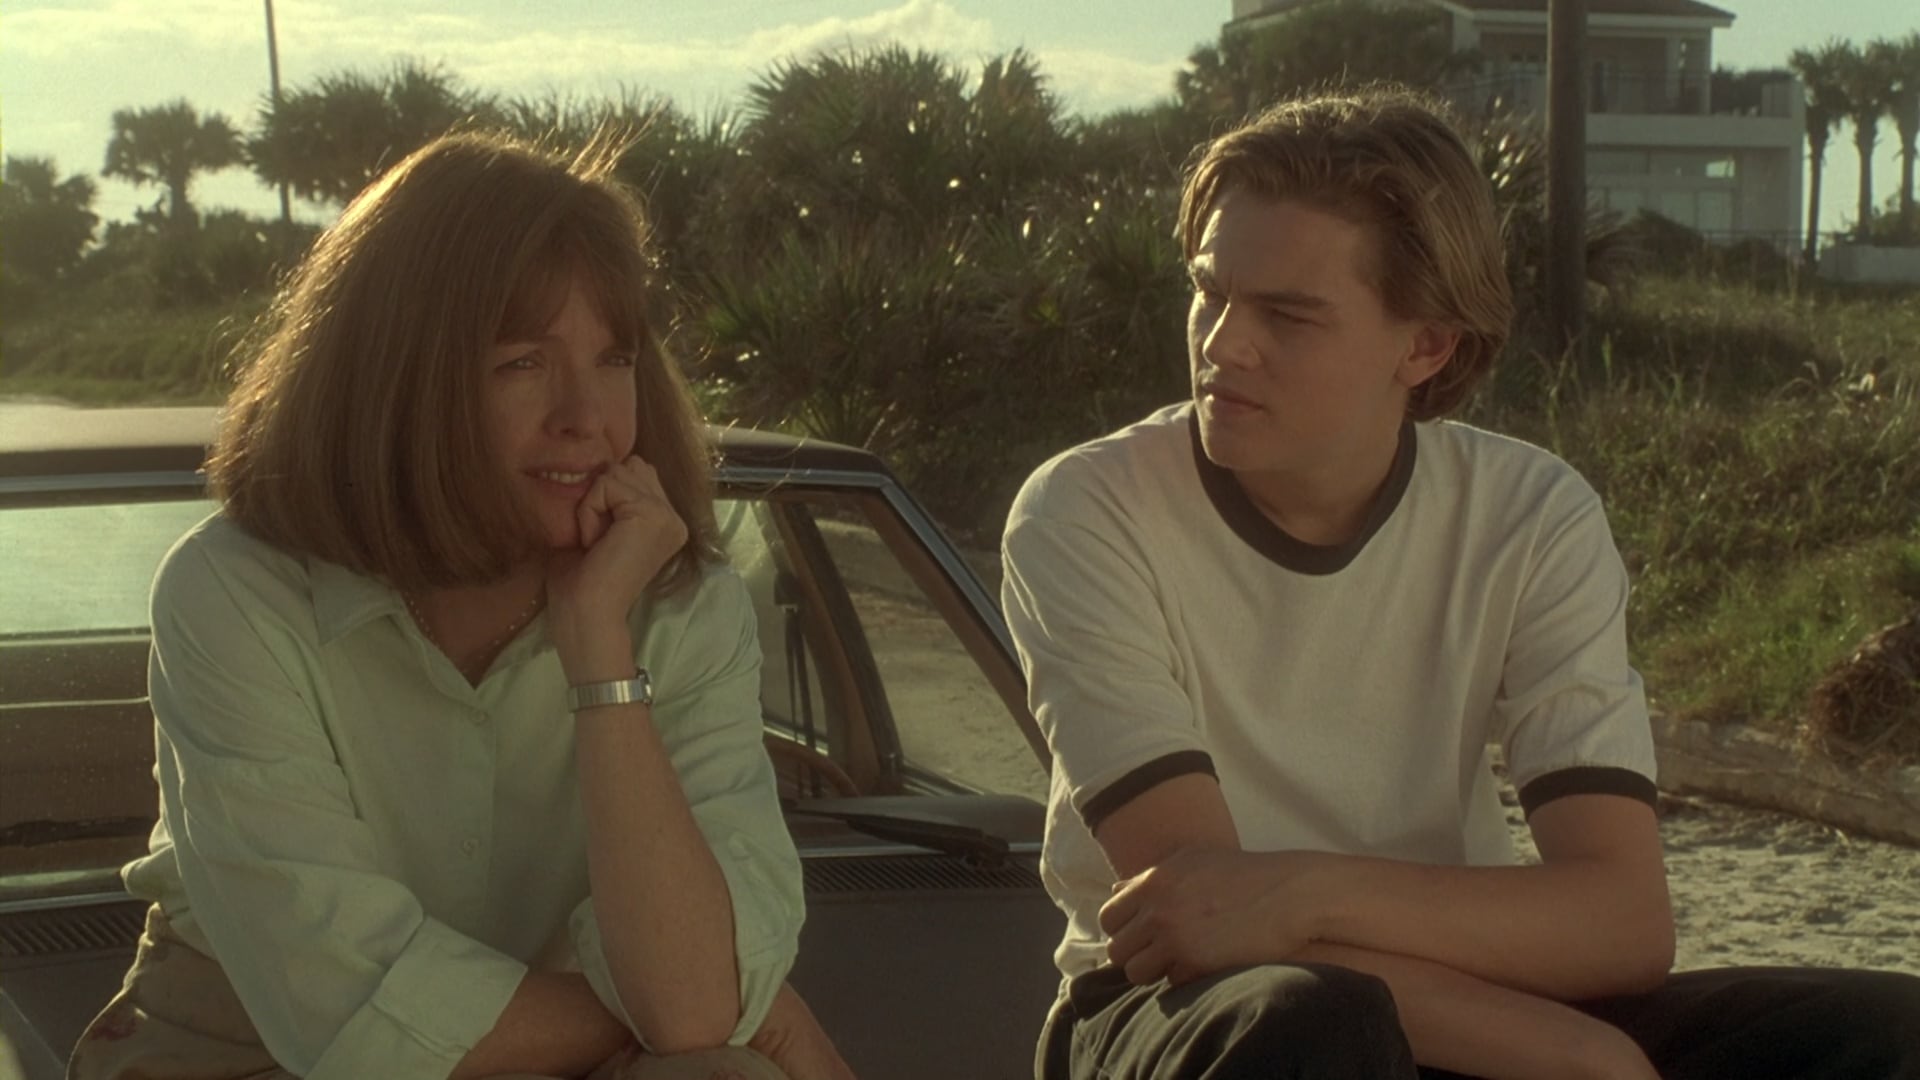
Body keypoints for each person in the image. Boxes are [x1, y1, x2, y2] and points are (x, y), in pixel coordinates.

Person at [1000, 85, 1920, 1080]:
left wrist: (1306, 890)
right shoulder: (1088, 510)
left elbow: (1622, 921)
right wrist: (1583, 1054)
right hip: (1179, 1012)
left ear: (1426, 343)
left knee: (1884, 1032)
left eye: (1287, 314)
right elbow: (1200, 917)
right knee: (1312, 1023)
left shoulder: (1529, 513)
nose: (1223, 342)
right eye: (1209, 291)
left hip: (1460, 990)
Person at [69, 130, 853, 1080]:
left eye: (614, 360)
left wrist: (599, 649)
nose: (586, 418)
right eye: (522, 362)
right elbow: (344, 1006)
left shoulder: (680, 608)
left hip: (555, 1040)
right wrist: (731, 1019)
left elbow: (690, 1009)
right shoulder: (237, 594)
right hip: (251, 1049)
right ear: (401, 378)